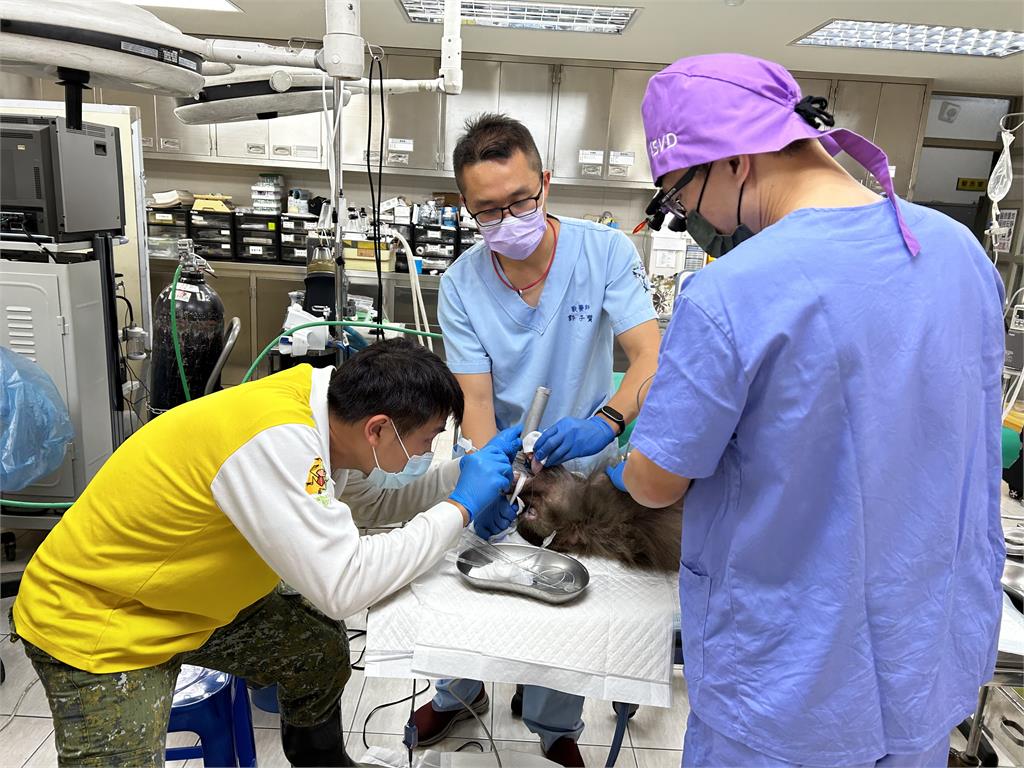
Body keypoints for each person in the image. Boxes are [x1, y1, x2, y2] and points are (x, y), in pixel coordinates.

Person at [608, 53, 1005, 766]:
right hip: (924, 659)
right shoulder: (957, 251)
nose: (689, 215)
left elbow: (653, 483)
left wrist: (637, 445)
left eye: (679, 192)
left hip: (790, 682)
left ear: (734, 159)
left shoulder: (734, 291)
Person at [10, 338, 521, 767]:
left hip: (188, 605)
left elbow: (376, 504)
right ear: (379, 428)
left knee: (315, 648)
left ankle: (318, 759)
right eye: (430, 439)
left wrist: (464, 477)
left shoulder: (325, 411)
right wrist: (460, 506)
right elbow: (344, 585)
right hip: (103, 620)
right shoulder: (278, 440)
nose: (431, 451)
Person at [410, 113, 660, 767]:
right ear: (467, 209)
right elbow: (478, 399)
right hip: (502, 450)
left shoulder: (603, 253)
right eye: (489, 210)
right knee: (476, 577)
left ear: (545, 183)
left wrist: (605, 421)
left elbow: (648, 357)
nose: (509, 218)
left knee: (566, 598)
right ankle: (459, 693)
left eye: (521, 200)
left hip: (584, 459)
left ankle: (555, 728)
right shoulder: (464, 283)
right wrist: (495, 474)